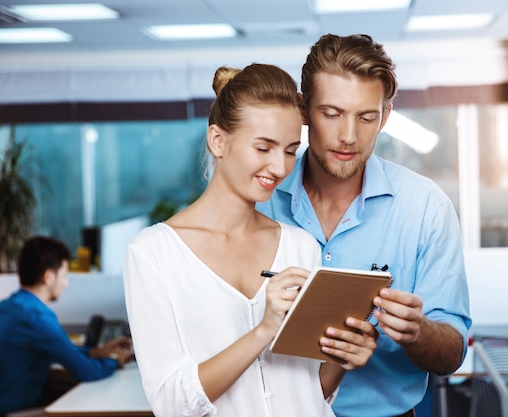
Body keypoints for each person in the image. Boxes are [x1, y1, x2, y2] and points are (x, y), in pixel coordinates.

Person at [122, 63, 378, 417]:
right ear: (218, 140)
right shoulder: (154, 254)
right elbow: (170, 403)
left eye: (290, 151)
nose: (279, 167)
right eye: (263, 148)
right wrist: (264, 331)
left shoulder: (299, 245)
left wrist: (344, 358)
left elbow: (309, 391)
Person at [256, 33, 472, 417]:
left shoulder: (426, 207)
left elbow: (451, 354)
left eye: (366, 116)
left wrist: (418, 332)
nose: (349, 136)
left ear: (385, 116)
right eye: (332, 113)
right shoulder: (259, 201)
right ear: (304, 111)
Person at [0, 235, 133, 415]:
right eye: (64, 275)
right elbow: (85, 371)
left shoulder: (4, 308)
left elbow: (54, 352)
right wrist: (114, 360)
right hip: (12, 411)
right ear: (49, 277)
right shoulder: (37, 317)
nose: (65, 283)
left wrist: (96, 352)